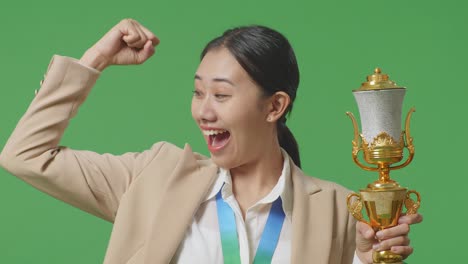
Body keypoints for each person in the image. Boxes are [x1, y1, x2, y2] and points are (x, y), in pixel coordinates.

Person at [0, 19, 422, 264]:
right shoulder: (151, 178)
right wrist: (96, 59)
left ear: (274, 106)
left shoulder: (341, 210)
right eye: (198, 92)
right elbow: (25, 155)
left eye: (221, 95)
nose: (203, 111)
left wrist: (371, 258)